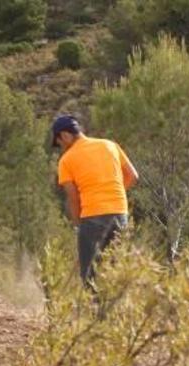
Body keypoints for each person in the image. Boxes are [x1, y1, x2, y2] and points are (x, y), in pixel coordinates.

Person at [53, 115, 138, 289]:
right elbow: (133, 177)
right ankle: (118, 313)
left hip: (92, 217)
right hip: (120, 214)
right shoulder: (110, 145)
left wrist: (77, 225)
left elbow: (73, 197)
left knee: (90, 276)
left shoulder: (66, 161)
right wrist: (113, 195)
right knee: (115, 271)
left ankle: (94, 315)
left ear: (66, 136)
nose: (60, 147)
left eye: (59, 142)